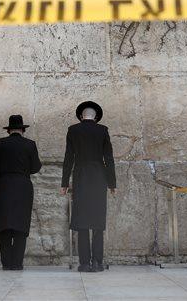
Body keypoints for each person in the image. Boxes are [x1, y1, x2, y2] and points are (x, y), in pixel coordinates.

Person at [0, 114, 42, 271]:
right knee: (21, 224)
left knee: (5, 225)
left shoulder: (0, 144)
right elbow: (36, 167)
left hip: (4, 186)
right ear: (22, 130)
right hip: (23, 187)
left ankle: (7, 263)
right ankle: (17, 263)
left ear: (8, 130)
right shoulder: (30, 144)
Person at [61, 101, 116, 273]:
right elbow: (109, 158)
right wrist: (112, 183)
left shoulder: (73, 130)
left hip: (80, 177)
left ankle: (84, 263)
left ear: (80, 116)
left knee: (82, 221)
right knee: (98, 222)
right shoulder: (103, 130)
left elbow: (69, 157)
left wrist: (64, 183)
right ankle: (97, 263)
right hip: (99, 178)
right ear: (96, 117)